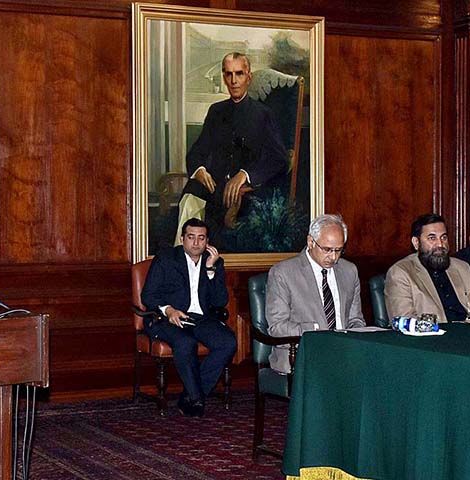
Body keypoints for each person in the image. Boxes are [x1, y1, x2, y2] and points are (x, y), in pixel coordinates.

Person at [174, 52, 290, 246]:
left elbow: (279, 159)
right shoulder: (216, 111)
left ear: (249, 77)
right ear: (224, 77)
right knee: (190, 197)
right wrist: (199, 170)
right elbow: (197, 151)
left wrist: (245, 174)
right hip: (216, 188)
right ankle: (182, 261)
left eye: (239, 74)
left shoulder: (263, 115)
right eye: (229, 74)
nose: (234, 81)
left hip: (248, 192)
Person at [141, 218, 237, 417]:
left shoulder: (214, 262)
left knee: (227, 342)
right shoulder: (166, 258)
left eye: (201, 238)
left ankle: (193, 395)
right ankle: (195, 398)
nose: (196, 243)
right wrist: (169, 310)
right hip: (166, 318)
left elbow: (220, 301)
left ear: (207, 241)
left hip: (199, 319)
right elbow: (148, 296)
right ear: (182, 239)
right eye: (191, 237)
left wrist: (211, 269)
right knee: (186, 342)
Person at [266, 214, 365, 374]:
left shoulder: (349, 271)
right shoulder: (283, 273)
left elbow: (356, 320)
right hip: (302, 355)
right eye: (327, 249)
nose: (333, 257)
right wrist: (315, 330)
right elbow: (277, 328)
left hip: (344, 353)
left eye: (339, 250)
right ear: (310, 242)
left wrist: (353, 337)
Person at [385, 213, 470, 322]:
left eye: (443, 237)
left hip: (469, 334)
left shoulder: (462, 268)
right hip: (432, 336)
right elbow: (405, 322)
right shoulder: (401, 273)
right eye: (432, 238)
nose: (440, 244)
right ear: (416, 243)